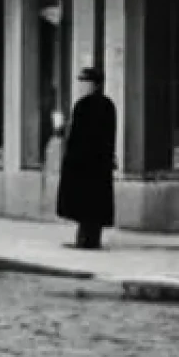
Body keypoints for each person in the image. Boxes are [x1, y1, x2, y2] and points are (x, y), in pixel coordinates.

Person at [56, 67, 117, 250]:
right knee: (92, 206)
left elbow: (78, 138)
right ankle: (88, 239)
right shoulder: (105, 106)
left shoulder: (87, 106)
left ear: (95, 84)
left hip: (85, 165)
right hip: (97, 165)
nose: (82, 85)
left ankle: (86, 240)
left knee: (86, 205)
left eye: (85, 82)